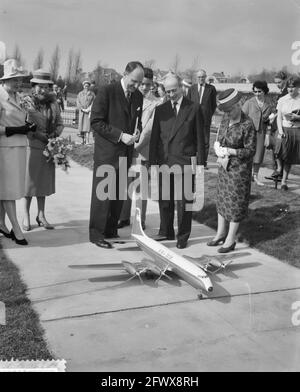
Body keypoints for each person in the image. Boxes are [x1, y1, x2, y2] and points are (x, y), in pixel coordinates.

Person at [89, 61, 144, 249]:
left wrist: (137, 133)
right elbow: (96, 121)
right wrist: (121, 136)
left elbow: (137, 121)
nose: (136, 86)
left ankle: (111, 230)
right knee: (102, 195)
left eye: (139, 83)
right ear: (125, 73)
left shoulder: (138, 97)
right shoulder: (107, 91)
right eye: (134, 81)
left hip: (125, 153)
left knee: (119, 195)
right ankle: (97, 234)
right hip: (107, 153)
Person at [149, 74, 205, 249]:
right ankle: (166, 230)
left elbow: (200, 139)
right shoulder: (161, 109)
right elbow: (155, 138)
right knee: (165, 200)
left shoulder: (194, 108)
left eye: (174, 90)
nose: (171, 94)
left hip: (184, 162)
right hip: (164, 161)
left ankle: (183, 236)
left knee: (183, 203)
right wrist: (153, 162)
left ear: (181, 88)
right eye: (168, 91)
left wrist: (201, 165)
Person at [207, 88, 256, 253]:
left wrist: (232, 151)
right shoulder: (225, 120)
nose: (228, 113)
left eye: (231, 109)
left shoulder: (247, 124)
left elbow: (250, 151)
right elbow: (220, 138)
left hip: (239, 171)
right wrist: (218, 147)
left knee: (235, 204)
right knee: (222, 200)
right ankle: (221, 233)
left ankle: (230, 238)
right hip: (224, 167)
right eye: (226, 111)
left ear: (238, 104)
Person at [21, 69, 64, 231]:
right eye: (39, 86)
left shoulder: (53, 103)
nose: (42, 89)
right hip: (31, 146)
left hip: (48, 147)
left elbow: (60, 123)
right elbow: (24, 124)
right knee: (29, 183)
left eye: (46, 86)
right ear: (33, 86)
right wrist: (39, 135)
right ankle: (26, 216)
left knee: (43, 184)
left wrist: (54, 134)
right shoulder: (27, 102)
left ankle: (41, 215)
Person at [118, 67, 159, 230]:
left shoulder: (155, 104)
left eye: (148, 85)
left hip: (140, 150)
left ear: (152, 85)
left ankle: (140, 219)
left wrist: (134, 146)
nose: (144, 87)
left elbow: (148, 130)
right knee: (124, 184)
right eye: (142, 84)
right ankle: (123, 217)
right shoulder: (129, 97)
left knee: (140, 187)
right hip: (125, 147)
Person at [0, 59, 36, 245]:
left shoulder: (15, 96)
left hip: (18, 148)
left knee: (8, 189)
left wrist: (26, 126)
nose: (18, 82)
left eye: (20, 79)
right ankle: (16, 228)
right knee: (9, 191)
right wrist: (15, 130)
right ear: (5, 80)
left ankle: (1, 223)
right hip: (5, 149)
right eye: (14, 79)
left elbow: (16, 119)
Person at [242, 81, 273, 186]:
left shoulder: (269, 104)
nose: (257, 94)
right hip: (249, 132)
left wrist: (268, 135)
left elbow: (269, 122)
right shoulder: (249, 102)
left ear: (264, 91)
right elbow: (242, 117)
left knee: (258, 155)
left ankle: (255, 176)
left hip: (261, 133)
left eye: (259, 91)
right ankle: (246, 175)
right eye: (255, 91)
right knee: (248, 154)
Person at [188, 69, 217, 169]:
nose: (201, 79)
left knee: (205, 142)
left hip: (205, 120)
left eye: (203, 77)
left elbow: (213, 105)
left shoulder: (211, 89)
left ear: (206, 77)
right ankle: (193, 162)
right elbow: (188, 104)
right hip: (193, 120)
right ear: (197, 78)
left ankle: (203, 163)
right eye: (199, 77)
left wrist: (208, 114)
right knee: (192, 141)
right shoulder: (191, 88)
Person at [275, 77, 300, 190]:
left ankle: (284, 182)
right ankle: (279, 168)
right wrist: (280, 131)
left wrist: (297, 117)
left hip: (296, 130)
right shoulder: (282, 99)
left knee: (289, 157)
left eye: (293, 87)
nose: (290, 89)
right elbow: (279, 117)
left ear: (298, 87)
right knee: (279, 149)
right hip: (284, 128)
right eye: (289, 87)